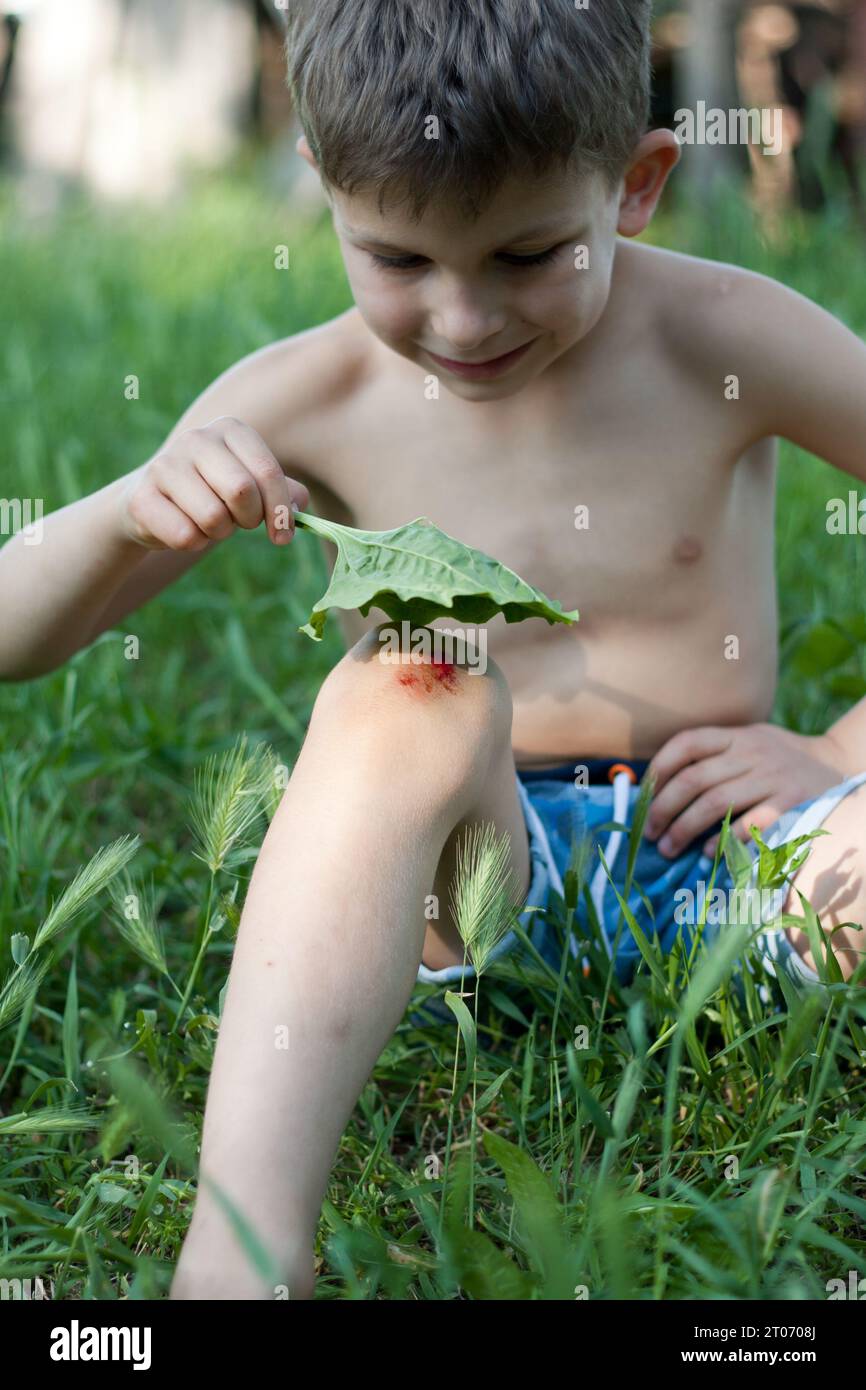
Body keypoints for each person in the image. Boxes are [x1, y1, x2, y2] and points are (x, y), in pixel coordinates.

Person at [2, 0, 865, 1299]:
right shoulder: (310, 397)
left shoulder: (725, 338)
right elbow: (21, 634)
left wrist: (833, 748)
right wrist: (130, 512)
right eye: (397, 260)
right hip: (460, 885)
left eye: (526, 255)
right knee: (406, 682)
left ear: (633, 186)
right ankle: (242, 1253)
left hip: (735, 858)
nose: (463, 320)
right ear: (321, 183)